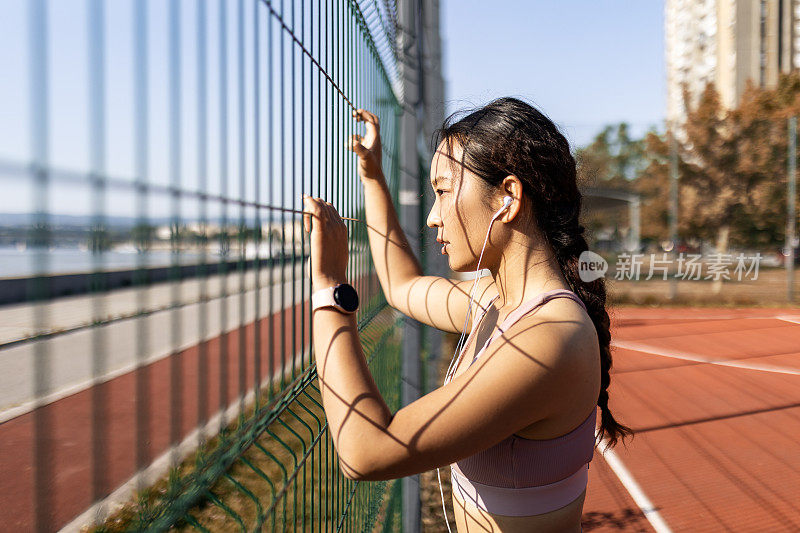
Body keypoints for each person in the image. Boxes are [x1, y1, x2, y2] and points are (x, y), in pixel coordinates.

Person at [301, 97, 631, 532]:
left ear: (507, 198)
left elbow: (366, 451)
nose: (434, 217)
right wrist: (372, 178)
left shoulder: (549, 337)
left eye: (443, 190)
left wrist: (329, 288)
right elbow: (403, 288)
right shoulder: (495, 302)